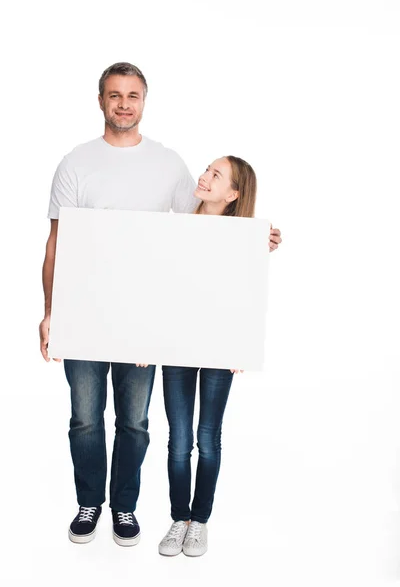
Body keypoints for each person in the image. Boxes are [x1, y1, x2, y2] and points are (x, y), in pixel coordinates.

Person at [39, 62, 282, 547]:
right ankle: (90, 502)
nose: (124, 103)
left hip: (144, 322)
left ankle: (125, 508)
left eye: (133, 95)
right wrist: (50, 313)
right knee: (85, 417)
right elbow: (55, 246)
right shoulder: (74, 163)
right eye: (115, 95)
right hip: (86, 311)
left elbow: (200, 228)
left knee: (135, 421)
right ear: (101, 101)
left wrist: (250, 242)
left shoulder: (168, 163)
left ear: (144, 101)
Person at [158, 155, 261, 557]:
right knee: (179, 440)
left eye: (215, 175)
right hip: (176, 346)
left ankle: (199, 522)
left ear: (233, 194)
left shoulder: (243, 239)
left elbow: (247, 297)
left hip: (219, 348)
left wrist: (242, 343)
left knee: (207, 438)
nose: (204, 176)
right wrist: (145, 341)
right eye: (207, 170)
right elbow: (157, 285)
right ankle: (178, 519)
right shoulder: (176, 227)